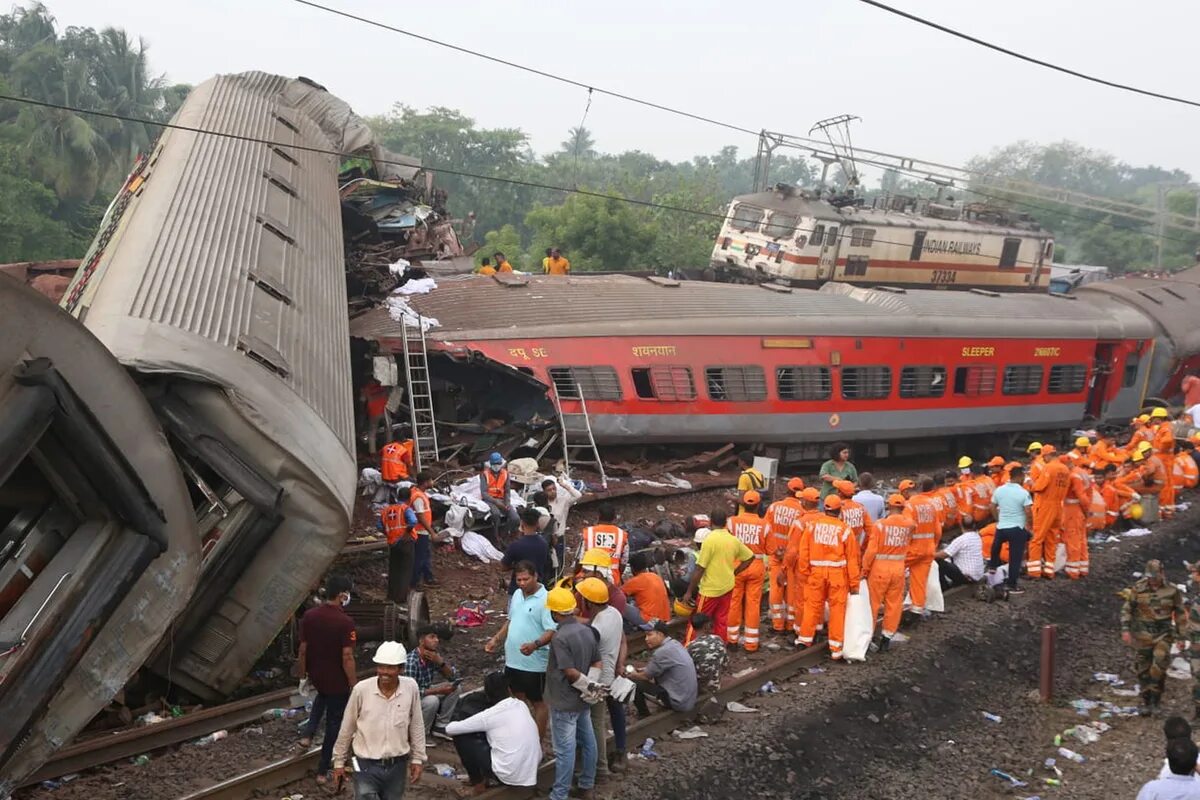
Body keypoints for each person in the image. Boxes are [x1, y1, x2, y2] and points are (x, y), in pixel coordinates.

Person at [332, 641, 426, 799]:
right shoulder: (361, 690)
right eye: (381, 666)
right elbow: (347, 727)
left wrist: (418, 759)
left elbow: (416, 724)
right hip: (364, 764)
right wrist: (339, 762)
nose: (384, 672)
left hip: (397, 765)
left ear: (401, 669)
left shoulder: (411, 688)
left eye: (391, 667)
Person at [486, 561, 556, 739]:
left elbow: (551, 630)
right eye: (519, 580)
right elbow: (511, 620)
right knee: (516, 700)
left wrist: (535, 644)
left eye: (526, 579)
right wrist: (496, 638)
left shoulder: (546, 599)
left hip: (534, 663)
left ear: (535, 577)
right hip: (513, 659)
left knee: (538, 702)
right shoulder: (517, 594)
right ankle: (520, 738)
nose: (523, 583)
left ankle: (538, 741)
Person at [298, 573, 358, 782]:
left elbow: (303, 648)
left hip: (317, 675)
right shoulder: (345, 622)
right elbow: (347, 656)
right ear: (342, 595)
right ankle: (323, 770)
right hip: (338, 681)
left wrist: (303, 673)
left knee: (321, 697)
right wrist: (353, 684)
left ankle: (307, 734)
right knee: (334, 724)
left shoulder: (310, 616)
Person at [544, 587, 602, 800]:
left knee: (565, 750)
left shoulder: (560, 637)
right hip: (582, 701)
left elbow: (568, 672)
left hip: (564, 701)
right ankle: (587, 785)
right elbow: (597, 660)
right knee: (588, 741)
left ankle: (559, 795)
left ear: (555, 613)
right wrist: (592, 685)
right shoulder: (586, 630)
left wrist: (587, 686)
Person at [445, 672, 540, 796]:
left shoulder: (491, 714)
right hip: (530, 770)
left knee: (461, 736)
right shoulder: (521, 705)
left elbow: (450, 729)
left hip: (509, 774)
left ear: (487, 694)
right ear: (509, 689)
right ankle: (488, 776)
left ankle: (478, 784)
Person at [796, 494, 861, 658]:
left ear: (824, 509)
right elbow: (853, 559)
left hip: (816, 573)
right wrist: (854, 584)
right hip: (837, 575)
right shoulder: (845, 530)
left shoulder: (812, 526)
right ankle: (836, 648)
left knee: (811, 606)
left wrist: (804, 573)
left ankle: (804, 640)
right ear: (840, 511)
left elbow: (803, 552)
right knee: (837, 610)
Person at [1122, 559, 1188, 715]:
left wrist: (1181, 637)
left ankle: (1156, 700)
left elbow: (1179, 614)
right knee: (1143, 669)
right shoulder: (1138, 589)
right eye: (1150, 577)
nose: (1152, 580)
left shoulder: (1172, 591)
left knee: (1159, 664)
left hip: (1163, 634)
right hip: (1142, 635)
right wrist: (1125, 629)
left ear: (1162, 574)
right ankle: (1146, 700)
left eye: (1155, 576)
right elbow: (1127, 609)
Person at [577, 576, 627, 779]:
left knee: (595, 723)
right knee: (598, 721)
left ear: (589, 602)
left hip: (599, 680)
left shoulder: (596, 630)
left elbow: (587, 653)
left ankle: (600, 768)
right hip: (610, 675)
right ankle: (600, 764)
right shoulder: (613, 613)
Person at [682, 509, 755, 645]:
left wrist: (689, 591)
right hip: (727, 587)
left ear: (711, 521)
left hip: (710, 590)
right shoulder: (732, 539)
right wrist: (735, 572)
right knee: (721, 620)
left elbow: (700, 568)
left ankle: (688, 647)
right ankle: (720, 647)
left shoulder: (709, 540)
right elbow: (750, 557)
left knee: (697, 620)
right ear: (725, 521)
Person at [862, 494, 915, 653]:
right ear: (903, 507)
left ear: (889, 506)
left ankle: (868, 638)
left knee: (873, 605)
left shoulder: (880, 525)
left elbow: (871, 551)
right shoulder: (910, 525)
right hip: (898, 569)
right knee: (894, 605)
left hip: (879, 569)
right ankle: (886, 638)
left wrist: (864, 570)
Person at [726, 490, 769, 651]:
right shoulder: (764, 525)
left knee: (734, 602)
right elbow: (769, 549)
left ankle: (732, 640)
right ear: (758, 505)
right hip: (756, 565)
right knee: (753, 603)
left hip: (736, 566)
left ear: (743, 504)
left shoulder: (732, 522)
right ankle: (751, 643)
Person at [764, 478, 807, 633]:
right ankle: (791, 623)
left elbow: (766, 530)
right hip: (792, 557)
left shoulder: (774, 507)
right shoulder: (802, 512)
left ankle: (777, 624)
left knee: (776, 588)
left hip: (776, 554)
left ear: (787, 490)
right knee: (792, 591)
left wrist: (775, 550)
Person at [629, 621, 698, 717]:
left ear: (660, 634)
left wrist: (632, 674)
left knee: (633, 683)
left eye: (649, 635)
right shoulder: (675, 644)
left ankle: (644, 715)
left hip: (678, 702)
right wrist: (645, 669)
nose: (646, 639)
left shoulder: (661, 652)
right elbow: (659, 667)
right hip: (688, 699)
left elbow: (646, 676)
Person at [407, 625, 460, 740]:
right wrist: (438, 691)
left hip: (425, 692)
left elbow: (453, 677)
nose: (436, 640)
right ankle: (421, 735)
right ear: (421, 641)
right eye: (432, 637)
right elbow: (411, 692)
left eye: (437, 637)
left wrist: (440, 663)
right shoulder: (412, 661)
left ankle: (441, 726)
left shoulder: (433, 656)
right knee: (432, 701)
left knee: (455, 687)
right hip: (410, 700)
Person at [783, 488, 823, 639]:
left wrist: (785, 568)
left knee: (801, 600)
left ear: (805, 502)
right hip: (820, 565)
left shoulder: (800, 523)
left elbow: (792, 551)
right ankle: (817, 628)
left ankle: (800, 632)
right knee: (816, 598)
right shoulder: (824, 519)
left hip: (803, 566)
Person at [903, 476, 943, 618]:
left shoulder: (909, 506)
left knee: (891, 571)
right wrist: (933, 545)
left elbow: (906, 528)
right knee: (919, 580)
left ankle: (890, 607)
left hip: (913, 549)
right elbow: (938, 530)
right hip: (928, 549)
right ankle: (916, 611)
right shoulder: (931, 504)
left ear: (905, 493)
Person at [989, 465, 1033, 593]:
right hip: (1017, 528)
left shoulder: (1000, 490)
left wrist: (998, 519)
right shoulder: (1023, 492)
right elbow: (1028, 511)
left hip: (1002, 527)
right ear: (1020, 477)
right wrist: (1029, 527)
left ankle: (992, 565)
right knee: (1015, 558)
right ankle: (1012, 585)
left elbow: (992, 506)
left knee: (996, 545)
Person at [1029, 445, 1069, 580]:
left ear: (1047, 455)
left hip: (1046, 505)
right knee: (1052, 539)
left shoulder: (1049, 467)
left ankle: (1034, 572)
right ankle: (1049, 571)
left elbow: (1039, 487)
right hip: (1059, 506)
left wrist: (1031, 484)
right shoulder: (1065, 469)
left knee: (1037, 538)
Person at [381, 488, 419, 605]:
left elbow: (379, 525)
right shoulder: (406, 509)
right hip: (406, 542)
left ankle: (391, 596)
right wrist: (406, 531)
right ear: (409, 498)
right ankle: (400, 598)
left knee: (394, 569)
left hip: (392, 542)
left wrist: (389, 533)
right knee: (405, 570)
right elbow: (413, 521)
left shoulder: (387, 510)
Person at [501, 506, 551, 591]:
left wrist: (516, 566)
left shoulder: (515, 545)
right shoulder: (544, 544)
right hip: (537, 588)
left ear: (522, 523)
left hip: (518, 589)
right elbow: (547, 564)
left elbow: (504, 567)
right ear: (537, 524)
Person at [541, 474, 583, 571]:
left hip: (559, 537)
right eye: (549, 490)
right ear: (544, 492)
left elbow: (578, 495)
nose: (552, 492)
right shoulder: (543, 504)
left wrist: (564, 485)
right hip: (546, 538)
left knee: (559, 562)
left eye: (554, 489)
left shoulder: (563, 501)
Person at [579, 504, 629, 585]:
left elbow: (580, 558)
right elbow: (624, 561)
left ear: (599, 515)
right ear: (614, 517)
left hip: (589, 577)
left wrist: (576, 575)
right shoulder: (622, 534)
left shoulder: (588, 532)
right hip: (612, 579)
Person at [1062, 460, 1094, 579]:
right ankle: (1083, 568)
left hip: (1072, 510)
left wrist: (1086, 510)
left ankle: (1073, 570)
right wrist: (1086, 511)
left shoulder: (1073, 476)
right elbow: (1087, 494)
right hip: (1079, 510)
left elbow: (1081, 495)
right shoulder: (1081, 472)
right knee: (1081, 538)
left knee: (1072, 539)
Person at [622, 552, 671, 624]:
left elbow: (617, 595)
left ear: (632, 568)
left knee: (619, 603)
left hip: (649, 621)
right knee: (633, 602)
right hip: (664, 618)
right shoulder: (655, 576)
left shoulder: (636, 580)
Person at [480, 453, 518, 544]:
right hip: (490, 499)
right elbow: (484, 493)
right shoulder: (485, 474)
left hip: (502, 499)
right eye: (494, 464)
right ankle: (495, 535)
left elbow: (507, 491)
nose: (496, 466)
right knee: (496, 514)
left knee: (515, 518)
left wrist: (507, 503)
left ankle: (503, 535)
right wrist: (496, 502)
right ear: (491, 464)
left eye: (498, 464)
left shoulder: (505, 474)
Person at [685, 612, 728, 691]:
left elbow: (686, 670)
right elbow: (725, 664)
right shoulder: (718, 639)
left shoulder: (690, 646)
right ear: (706, 626)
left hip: (699, 687)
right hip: (716, 683)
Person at [934, 522, 985, 589]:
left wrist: (929, 555)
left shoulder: (961, 539)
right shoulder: (977, 536)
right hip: (978, 575)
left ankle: (944, 587)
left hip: (966, 577)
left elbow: (944, 555)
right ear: (973, 525)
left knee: (939, 562)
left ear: (961, 526)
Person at [409, 472, 438, 590]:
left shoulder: (420, 494)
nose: (432, 482)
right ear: (426, 482)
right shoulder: (418, 497)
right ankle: (414, 582)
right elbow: (420, 517)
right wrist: (431, 532)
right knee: (419, 558)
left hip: (422, 531)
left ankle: (428, 577)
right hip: (419, 532)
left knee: (425, 555)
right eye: (431, 480)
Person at [834, 479, 868, 548]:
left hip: (841, 550)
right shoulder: (861, 508)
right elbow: (870, 531)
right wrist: (863, 547)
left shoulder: (838, 508)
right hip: (856, 550)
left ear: (839, 493)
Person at [362, 378, 391, 454]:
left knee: (372, 432)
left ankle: (372, 452)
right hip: (384, 411)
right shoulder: (382, 387)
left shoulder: (366, 389)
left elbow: (362, 400)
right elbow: (388, 395)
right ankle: (389, 448)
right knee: (388, 429)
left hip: (374, 412)